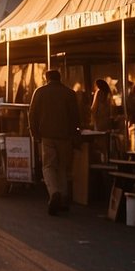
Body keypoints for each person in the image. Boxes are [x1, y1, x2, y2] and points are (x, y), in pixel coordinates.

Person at [28, 69, 81, 216]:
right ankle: (63, 197)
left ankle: (54, 192)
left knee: (49, 166)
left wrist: (34, 133)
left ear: (47, 78)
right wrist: (75, 134)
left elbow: (32, 114)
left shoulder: (40, 92)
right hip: (65, 137)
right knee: (63, 167)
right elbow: (75, 116)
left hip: (47, 136)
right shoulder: (69, 93)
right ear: (60, 78)